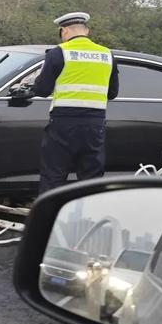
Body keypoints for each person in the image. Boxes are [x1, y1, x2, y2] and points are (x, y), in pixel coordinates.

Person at [29, 12, 120, 194]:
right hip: (94, 125)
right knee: (91, 178)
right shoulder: (106, 55)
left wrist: (30, 87)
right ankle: (89, 217)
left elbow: (43, 89)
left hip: (63, 124)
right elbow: (112, 93)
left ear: (64, 31)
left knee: (53, 176)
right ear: (87, 31)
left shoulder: (59, 53)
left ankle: (49, 219)